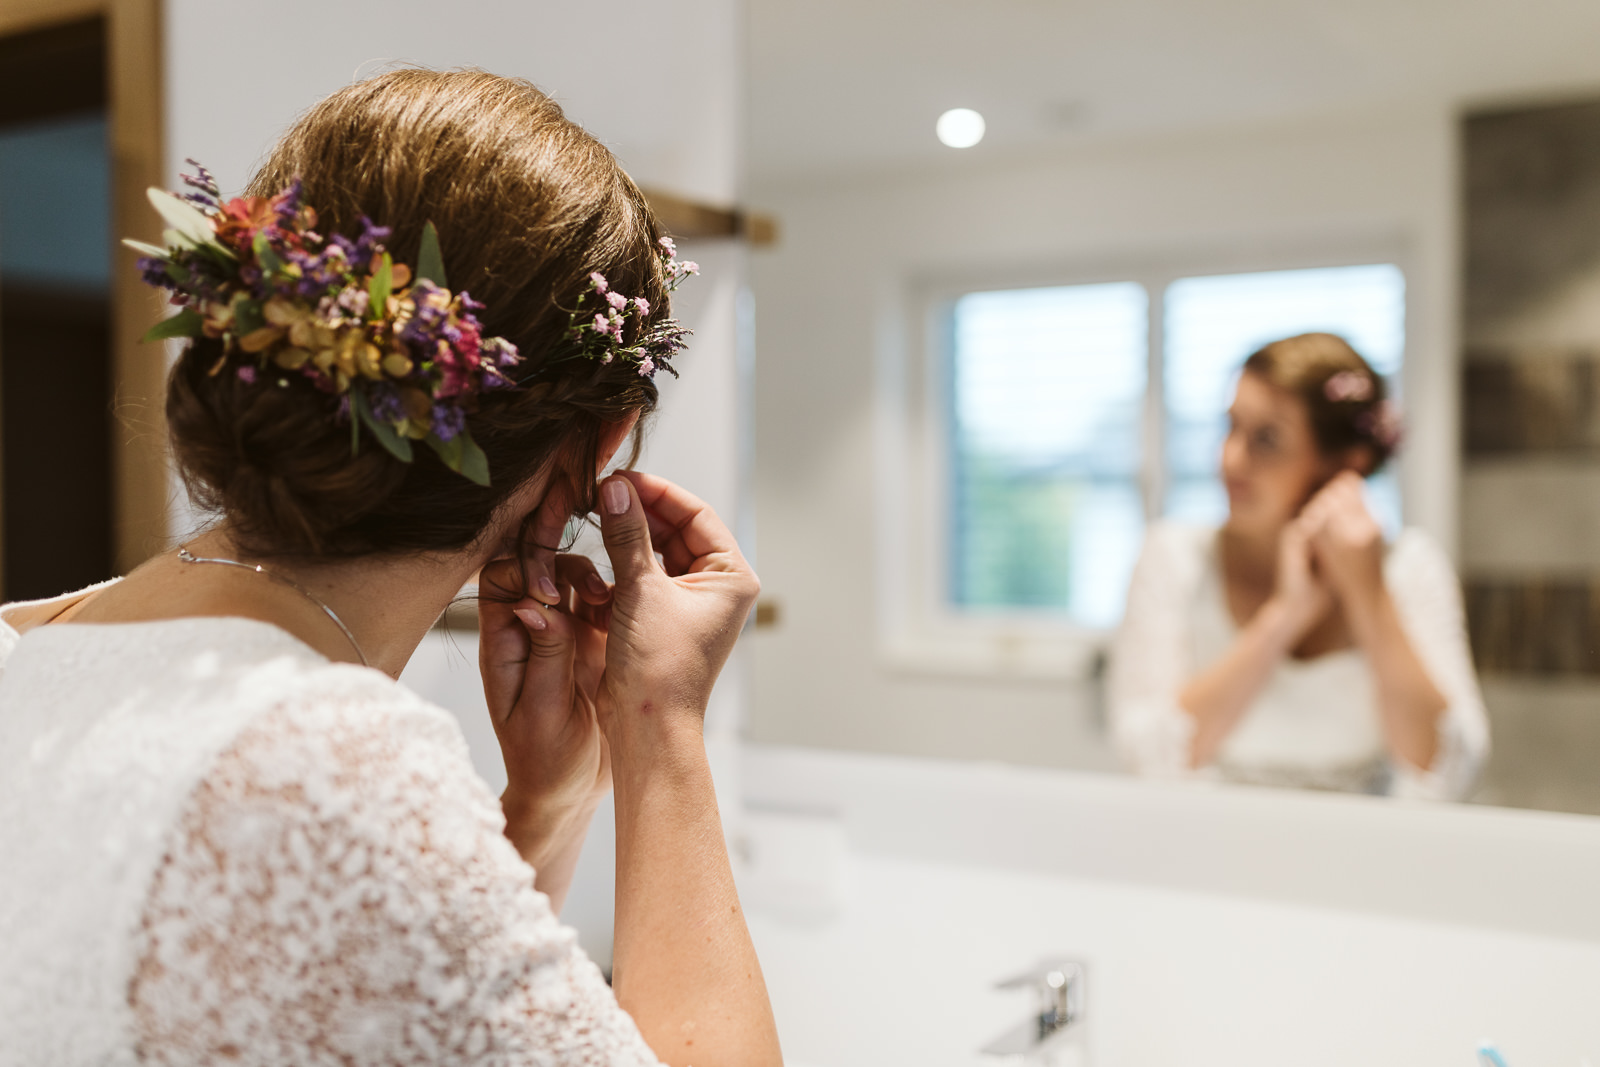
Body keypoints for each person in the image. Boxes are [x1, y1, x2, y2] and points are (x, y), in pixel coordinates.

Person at [0, 70, 781, 1067]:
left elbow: (397, 1017)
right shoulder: (325, 758)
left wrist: (542, 810)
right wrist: (659, 721)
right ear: (602, 442)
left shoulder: (20, 646)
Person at [1108, 333, 1488, 799]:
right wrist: (1284, 616)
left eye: (1266, 439)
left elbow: (1447, 770)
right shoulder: (1173, 557)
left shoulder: (1410, 567)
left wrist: (1368, 594)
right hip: (1213, 849)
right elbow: (1147, 760)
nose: (1229, 459)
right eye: (1231, 427)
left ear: (1346, 465)